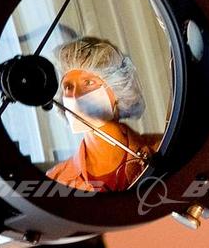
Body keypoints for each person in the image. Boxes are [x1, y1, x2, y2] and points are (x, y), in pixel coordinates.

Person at [46, 37, 161, 192]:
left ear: (117, 89)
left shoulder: (162, 148)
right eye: (68, 87)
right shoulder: (56, 181)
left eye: (88, 83)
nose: (75, 96)